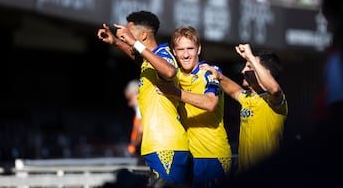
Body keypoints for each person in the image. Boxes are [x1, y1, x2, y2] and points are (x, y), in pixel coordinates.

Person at [97, 11, 189, 187]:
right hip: (158, 145)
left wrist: (133, 43)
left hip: (166, 145)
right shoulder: (150, 61)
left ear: (144, 35)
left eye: (129, 32)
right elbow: (143, 60)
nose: (125, 35)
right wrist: (116, 42)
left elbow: (169, 71)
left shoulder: (164, 53)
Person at [156, 26, 232, 187]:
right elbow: (149, 59)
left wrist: (175, 92)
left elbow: (210, 103)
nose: (185, 54)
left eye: (190, 48)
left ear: (199, 49)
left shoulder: (211, 72)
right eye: (180, 49)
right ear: (174, 52)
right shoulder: (174, 75)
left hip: (212, 156)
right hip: (186, 156)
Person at [201, 43, 288, 175]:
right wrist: (218, 76)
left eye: (249, 67)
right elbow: (235, 90)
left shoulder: (275, 102)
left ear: (266, 73)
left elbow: (274, 89)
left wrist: (251, 57)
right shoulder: (248, 98)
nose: (243, 71)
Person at [124, 79, 143, 157]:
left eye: (130, 99)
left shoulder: (141, 106)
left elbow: (141, 130)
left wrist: (134, 146)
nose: (129, 104)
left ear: (137, 93)